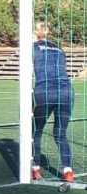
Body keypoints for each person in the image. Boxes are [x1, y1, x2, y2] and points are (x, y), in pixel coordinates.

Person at [32, 21, 75, 183]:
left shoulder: (32, 48)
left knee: (35, 132)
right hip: (66, 92)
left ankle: (35, 169)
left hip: (45, 92)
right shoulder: (59, 48)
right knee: (60, 133)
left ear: (34, 33)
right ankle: (68, 171)